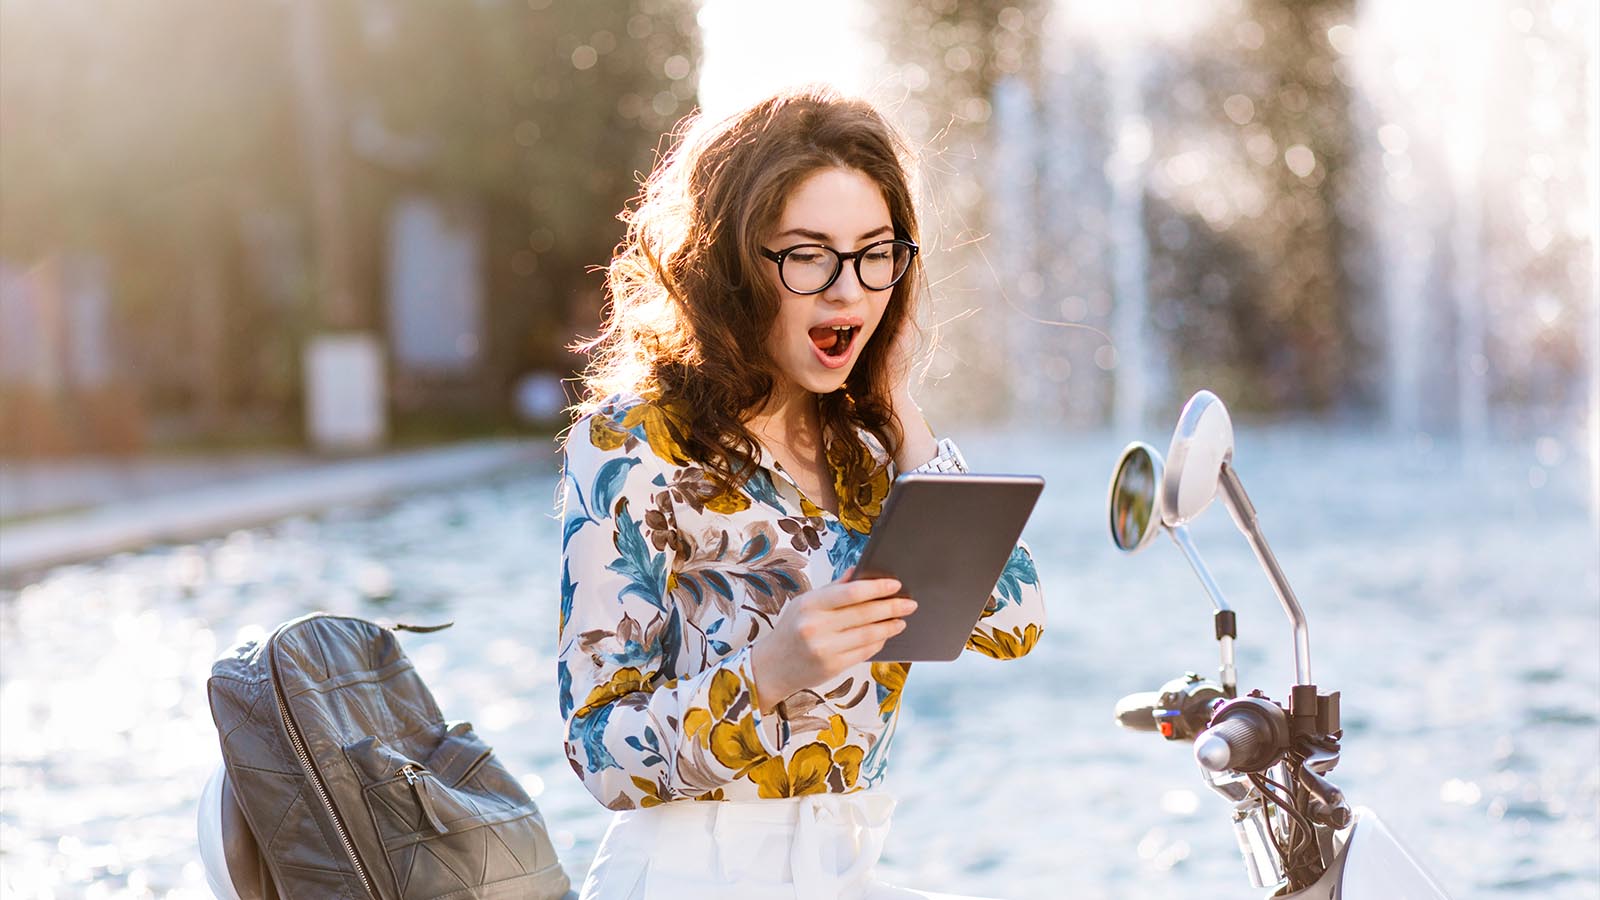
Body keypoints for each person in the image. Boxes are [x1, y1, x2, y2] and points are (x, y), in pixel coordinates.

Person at [557, 85, 1046, 900]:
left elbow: (1015, 623)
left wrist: (901, 417)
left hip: (843, 870)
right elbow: (600, 752)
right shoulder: (629, 443)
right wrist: (771, 669)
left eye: (876, 252)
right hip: (686, 878)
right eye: (809, 253)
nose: (849, 290)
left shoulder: (871, 457)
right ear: (731, 265)